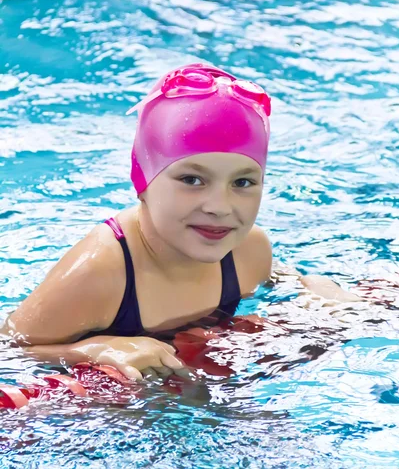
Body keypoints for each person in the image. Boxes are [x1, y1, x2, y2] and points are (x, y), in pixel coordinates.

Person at [0, 63, 363, 381]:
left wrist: (305, 287)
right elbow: (10, 351)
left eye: (243, 182)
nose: (220, 207)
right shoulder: (99, 272)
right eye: (192, 180)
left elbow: (278, 283)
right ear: (143, 179)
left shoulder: (251, 251)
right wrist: (94, 349)